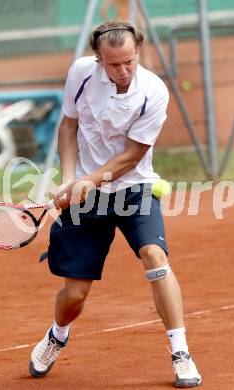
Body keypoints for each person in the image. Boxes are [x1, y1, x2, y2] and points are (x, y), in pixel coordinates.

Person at [29, 20, 202, 388]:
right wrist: (68, 177)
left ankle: (181, 352)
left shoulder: (153, 90)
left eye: (129, 61)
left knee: (155, 256)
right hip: (87, 198)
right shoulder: (80, 73)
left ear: (138, 50)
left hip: (135, 188)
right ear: (98, 59)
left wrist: (88, 181)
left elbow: (133, 155)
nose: (123, 71)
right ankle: (58, 334)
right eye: (114, 64)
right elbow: (68, 127)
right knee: (74, 294)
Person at [100, 0, 154, 70]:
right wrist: (142, 24)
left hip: (123, 25)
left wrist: (111, 24)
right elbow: (138, 10)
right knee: (144, 54)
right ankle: (150, 75)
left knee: (133, 54)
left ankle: (137, 77)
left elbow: (103, 10)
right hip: (136, 24)